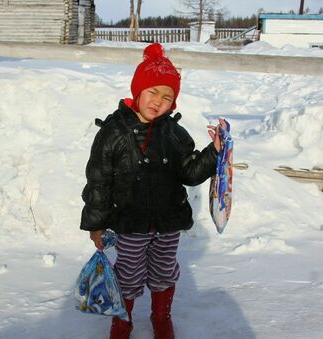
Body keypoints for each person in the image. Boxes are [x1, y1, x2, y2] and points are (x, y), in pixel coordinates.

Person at [80, 42, 223, 339]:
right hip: (130, 223)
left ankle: (161, 317)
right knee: (128, 275)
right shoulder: (113, 132)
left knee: (164, 272)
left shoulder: (174, 133)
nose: (158, 102)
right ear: (138, 90)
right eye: (153, 92)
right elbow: (98, 180)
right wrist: (96, 224)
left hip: (168, 222)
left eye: (167, 97)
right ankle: (122, 321)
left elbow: (190, 172)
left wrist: (214, 152)